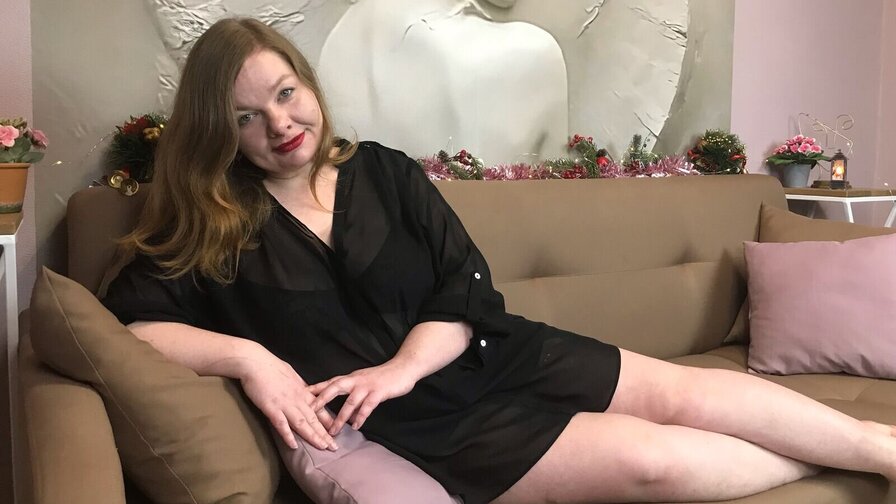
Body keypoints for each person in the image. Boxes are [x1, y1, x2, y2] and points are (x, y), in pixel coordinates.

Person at [103, 17, 896, 504]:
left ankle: (878, 450)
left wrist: (401, 366)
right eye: (246, 116)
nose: (279, 124)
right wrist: (249, 359)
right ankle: (833, 470)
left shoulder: (385, 172)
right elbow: (131, 323)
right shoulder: (216, 225)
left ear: (308, 86)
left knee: (682, 391)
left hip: (493, 351)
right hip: (429, 426)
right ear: (220, 132)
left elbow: (464, 285)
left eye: (285, 93)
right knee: (653, 462)